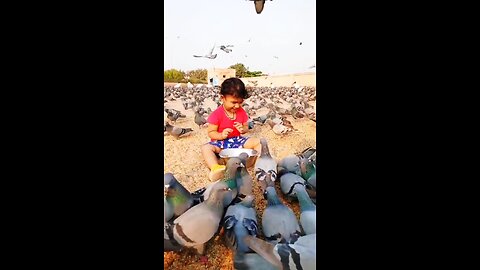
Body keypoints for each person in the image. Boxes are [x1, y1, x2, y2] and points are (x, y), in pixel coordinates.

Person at [201, 77, 261, 181]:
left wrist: (243, 129)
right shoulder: (217, 114)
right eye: (233, 102)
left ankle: (261, 162)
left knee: (258, 142)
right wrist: (221, 135)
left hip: (237, 141)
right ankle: (215, 168)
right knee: (206, 148)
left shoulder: (241, 112)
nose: (237, 106)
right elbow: (211, 133)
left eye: (240, 102)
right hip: (221, 143)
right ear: (222, 98)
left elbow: (246, 127)